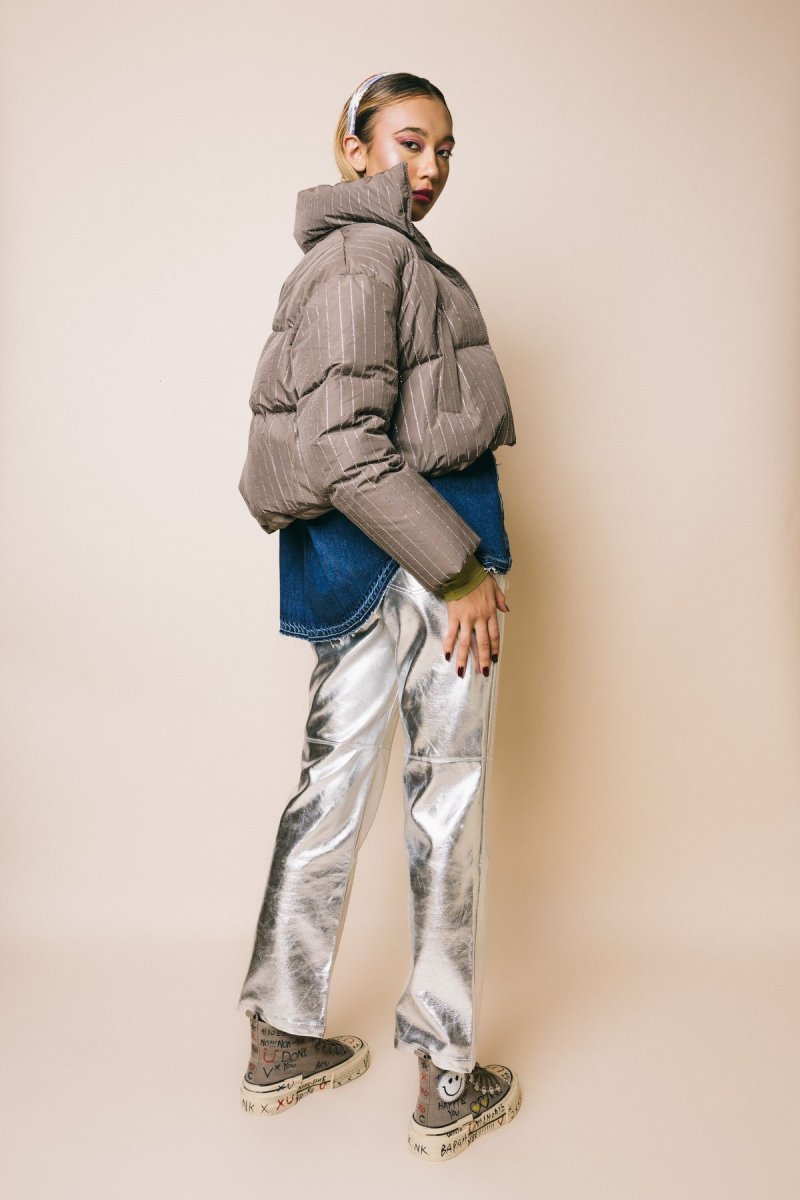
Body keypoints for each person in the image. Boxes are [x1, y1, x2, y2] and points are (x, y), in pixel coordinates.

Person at [236, 71, 522, 1161]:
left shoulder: (365, 254)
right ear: (352, 149)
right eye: (409, 142)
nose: (430, 166)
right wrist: (456, 569)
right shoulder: (368, 255)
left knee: (330, 791)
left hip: (355, 565)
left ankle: (280, 1036)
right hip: (417, 557)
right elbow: (348, 450)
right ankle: (447, 1076)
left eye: (445, 148)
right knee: (445, 797)